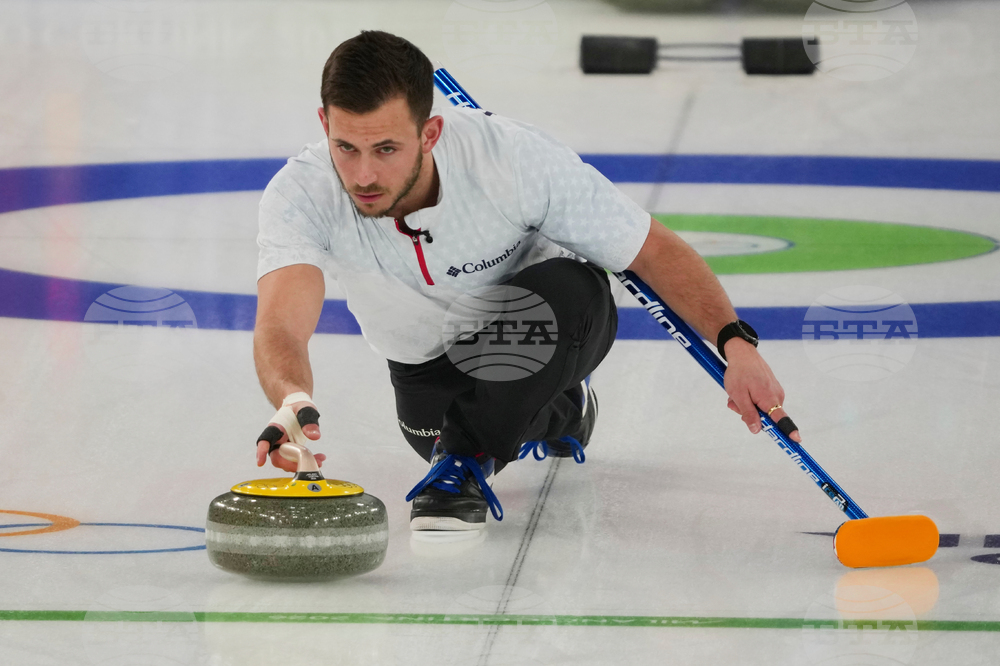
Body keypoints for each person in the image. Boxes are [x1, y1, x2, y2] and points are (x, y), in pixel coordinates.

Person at [253, 30, 800, 533]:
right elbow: (282, 323)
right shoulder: (301, 194)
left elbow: (651, 249)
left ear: (431, 132)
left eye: (386, 149)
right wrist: (291, 396)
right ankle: (563, 410)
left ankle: (466, 455)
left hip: (547, 323)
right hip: (426, 368)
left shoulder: (510, 158)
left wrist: (736, 343)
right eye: (346, 148)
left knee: (570, 290)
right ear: (325, 124)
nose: (364, 175)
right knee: (457, 427)